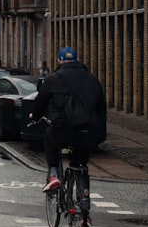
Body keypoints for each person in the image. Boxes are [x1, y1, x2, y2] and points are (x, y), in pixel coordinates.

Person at [29, 46, 107, 194]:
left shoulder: (52, 80)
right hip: (86, 132)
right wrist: (99, 134)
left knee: (48, 138)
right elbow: (101, 109)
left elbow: (40, 102)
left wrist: (35, 116)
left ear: (59, 61)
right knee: (80, 162)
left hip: (61, 130)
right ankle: (83, 200)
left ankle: (53, 174)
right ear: (77, 60)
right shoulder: (92, 80)